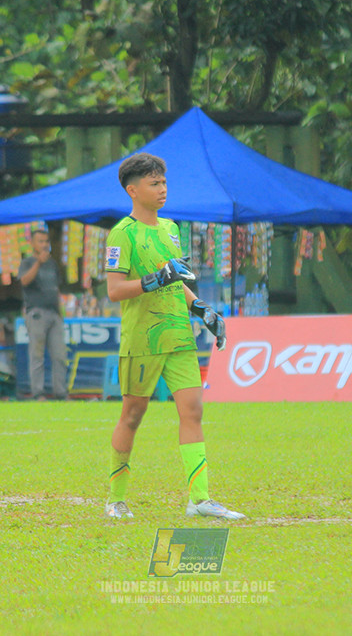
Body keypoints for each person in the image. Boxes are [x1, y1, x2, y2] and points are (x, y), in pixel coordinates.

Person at [103, 152, 244, 520]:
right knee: (132, 416)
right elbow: (115, 291)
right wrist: (155, 279)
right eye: (154, 183)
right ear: (133, 190)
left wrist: (202, 310)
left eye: (164, 182)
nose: (163, 189)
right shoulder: (122, 233)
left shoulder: (171, 229)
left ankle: (199, 500)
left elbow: (177, 281)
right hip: (142, 340)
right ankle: (115, 499)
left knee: (193, 411)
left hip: (178, 335)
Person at [18, 229, 68, 401]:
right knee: (37, 355)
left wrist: (60, 313)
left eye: (46, 241)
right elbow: (24, 281)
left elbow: (57, 289)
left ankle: (60, 392)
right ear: (32, 243)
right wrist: (38, 263)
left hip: (54, 313)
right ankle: (38, 393)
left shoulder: (52, 264)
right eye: (40, 241)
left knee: (60, 355)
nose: (45, 245)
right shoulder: (27, 262)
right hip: (37, 313)